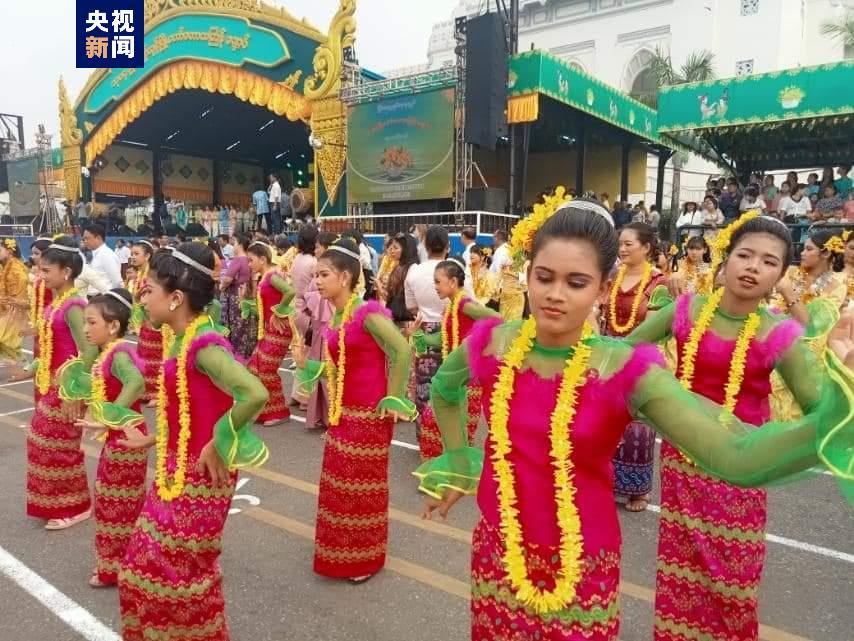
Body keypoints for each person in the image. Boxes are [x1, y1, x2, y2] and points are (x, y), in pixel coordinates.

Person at [414, 192, 853, 641]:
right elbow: (446, 391)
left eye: (577, 282)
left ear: (604, 288)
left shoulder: (624, 370)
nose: (555, 295)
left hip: (582, 569)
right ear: (528, 276)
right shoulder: (493, 343)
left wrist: (840, 414)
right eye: (544, 277)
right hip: (497, 556)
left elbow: (735, 456)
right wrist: (459, 462)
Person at [626, 215, 818, 641]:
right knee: (682, 576)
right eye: (744, 255)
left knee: (734, 581)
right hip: (683, 463)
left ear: (780, 275)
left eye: (768, 262)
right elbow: (625, 352)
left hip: (742, 471)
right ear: (726, 259)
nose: (752, 267)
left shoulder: (780, 333)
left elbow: (819, 408)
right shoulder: (685, 310)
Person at [116, 242, 269, 641]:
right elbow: (189, 409)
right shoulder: (181, 341)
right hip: (173, 470)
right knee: (140, 571)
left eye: (149, 289)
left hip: (201, 475)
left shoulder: (205, 347)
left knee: (177, 576)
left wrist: (220, 442)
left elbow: (255, 393)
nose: (141, 297)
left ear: (177, 298)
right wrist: (152, 439)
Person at [305, 237, 416, 583]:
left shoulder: (366, 312)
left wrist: (394, 399)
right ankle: (340, 553)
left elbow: (401, 350)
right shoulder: (337, 315)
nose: (317, 281)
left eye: (324, 274)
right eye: (316, 275)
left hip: (369, 416)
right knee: (338, 485)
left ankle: (363, 558)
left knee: (360, 488)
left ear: (347, 278)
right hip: (343, 414)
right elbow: (344, 363)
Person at [59, 289, 147, 588]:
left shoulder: (120, 352)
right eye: (84, 322)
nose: (85, 329)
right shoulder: (109, 352)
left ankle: (117, 567)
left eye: (91, 322)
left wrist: (109, 416)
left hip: (127, 437)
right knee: (117, 501)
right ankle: (126, 563)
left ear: (113, 326)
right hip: (121, 435)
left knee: (116, 503)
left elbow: (136, 382)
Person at [27, 236, 98, 530]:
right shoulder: (58, 302)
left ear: (66, 272)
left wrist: (77, 391)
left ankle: (76, 506)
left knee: (58, 444)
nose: (40, 275)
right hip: (50, 383)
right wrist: (33, 366)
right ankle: (57, 501)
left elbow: (90, 349)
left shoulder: (74, 306)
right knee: (43, 441)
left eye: (46, 270)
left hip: (67, 387)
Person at [601, 221, 666, 512]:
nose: (622, 248)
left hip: (640, 357)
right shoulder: (613, 277)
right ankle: (606, 480)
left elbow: (654, 326)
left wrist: (626, 353)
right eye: (620, 243)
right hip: (609, 353)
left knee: (637, 426)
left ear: (647, 248)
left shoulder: (658, 282)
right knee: (605, 419)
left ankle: (638, 489)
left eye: (628, 244)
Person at [412, 257, 499, 460]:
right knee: (435, 425)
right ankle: (448, 474)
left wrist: (473, 345)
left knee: (455, 429)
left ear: (452, 282)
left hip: (468, 379)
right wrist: (416, 334)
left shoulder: (465, 305)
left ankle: (453, 475)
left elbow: (496, 319)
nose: (435, 286)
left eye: (437, 281)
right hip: (453, 378)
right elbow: (438, 339)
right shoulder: (450, 308)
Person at [243, 241, 295, 426]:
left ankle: (279, 411)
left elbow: (290, 291)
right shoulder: (264, 277)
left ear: (263, 259)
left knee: (266, 369)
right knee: (254, 368)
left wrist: (279, 311)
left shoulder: (272, 275)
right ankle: (266, 410)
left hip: (278, 329)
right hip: (268, 328)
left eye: (251, 260)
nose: (249, 264)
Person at [406, 227, 450, 431]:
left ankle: (424, 432)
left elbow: (411, 307)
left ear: (425, 245)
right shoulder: (455, 268)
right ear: (448, 246)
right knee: (451, 381)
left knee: (424, 383)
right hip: (451, 328)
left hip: (423, 327)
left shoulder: (415, 271)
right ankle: (447, 433)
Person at [128, 240, 162, 403]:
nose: (132, 257)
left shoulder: (151, 275)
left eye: (136, 254)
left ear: (148, 256)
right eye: (132, 254)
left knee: (156, 356)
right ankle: (146, 390)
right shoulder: (141, 274)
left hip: (154, 322)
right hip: (144, 322)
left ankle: (158, 393)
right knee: (144, 355)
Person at [290, 226, 319, 408]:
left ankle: (296, 394)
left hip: (296, 307)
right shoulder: (313, 262)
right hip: (309, 309)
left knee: (302, 351)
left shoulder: (297, 259)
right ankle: (305, 397)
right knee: (311, 354)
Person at [220, 233, 257, 359]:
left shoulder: (238, 260)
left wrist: (221, 287)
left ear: (240, 244)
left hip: (236, 296)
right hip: (248, 296)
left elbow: (227, 279)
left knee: (237, 328)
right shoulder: (250, 260)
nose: (233, 246)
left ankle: (237, 355)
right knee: (246, 326)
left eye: (234, 243)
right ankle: (247, 354)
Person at [0, 238, 30, 366]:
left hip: (14, 309)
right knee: (7, 341)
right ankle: (22, 364)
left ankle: (23, 365)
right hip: (6, 308)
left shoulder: (16, 268)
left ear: (9, 251)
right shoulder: (5, 266)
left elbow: (22, 284)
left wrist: (13, 301)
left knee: (6, 338)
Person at [490, 229, 526, 321]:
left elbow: (497, 273)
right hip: (518, 293)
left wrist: (493, 292)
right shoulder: (514, 251)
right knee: (514, 322)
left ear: (497, 238)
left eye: (493, 237)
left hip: (508, 293)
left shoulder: (501, 251)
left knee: (507, 323)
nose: (493, 240)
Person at [83, 224, 123, 292]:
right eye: (84, 239)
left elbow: (117, 281)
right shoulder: (94, 254)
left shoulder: (107, 255)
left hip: (104, 297)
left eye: (87, 238)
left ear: (98, 238)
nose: (85, 241)